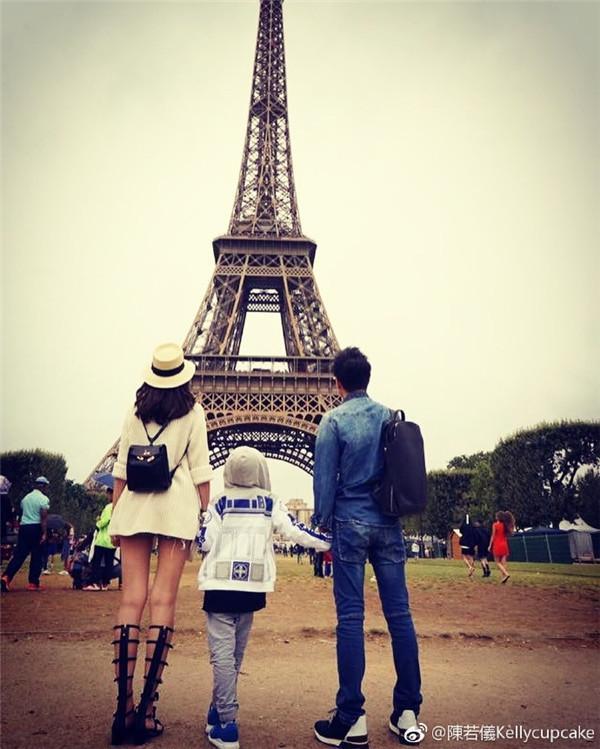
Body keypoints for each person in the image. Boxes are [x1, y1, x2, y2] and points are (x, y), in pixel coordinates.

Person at [312, 347, 422, 747]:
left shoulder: (333, 420)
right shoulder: (390, 416)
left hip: (349, 523)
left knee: (350, 618)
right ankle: (407, 710)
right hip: (388, 523)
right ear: (367, 378)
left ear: (337, 382)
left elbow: (325, 480)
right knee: (400, 616)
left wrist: (321, 522)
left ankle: (351, 717)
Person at [107, 342, 213, 745]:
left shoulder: (135, 411)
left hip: (134, 505)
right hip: (175, 508)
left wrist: (116, 515)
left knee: (131, 599)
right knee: (163, 601)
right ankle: (147, 713)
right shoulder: (193, 412)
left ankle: (123, 710)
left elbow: (120, 469)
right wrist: (203, 513)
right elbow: (201, 471)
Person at [197, 446, 331, 749]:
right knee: (234, 655)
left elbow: (205, 543)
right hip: (251, 589)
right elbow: (296, 531)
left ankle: (227, 724)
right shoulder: (270, 502)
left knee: (222, 656)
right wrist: (328, 542)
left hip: (219, 587)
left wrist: (200, 527)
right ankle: (218, 709)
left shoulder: (220, 502)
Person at [1, 476, 51, 592]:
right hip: (36, 527)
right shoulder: (44, 499)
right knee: (37, 555)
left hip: (24, 527)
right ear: (43, 486)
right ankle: (33, 583)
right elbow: (43, 518)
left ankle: (6, 577)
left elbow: (23, 511)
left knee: (19, 554)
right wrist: (44, 533)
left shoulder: (26, 498)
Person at [84, 499, 116, 591]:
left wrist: (98, 522)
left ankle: (95, 583)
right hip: (112, 540)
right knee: (109, 563)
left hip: (103, 540)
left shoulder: (109, 507)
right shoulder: (119, 507)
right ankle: (105, 583)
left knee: (96, 562)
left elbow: (103, 522)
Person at [489, 511, 515, 583]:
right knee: (504, 562)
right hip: (504, 544)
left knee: (497, 562)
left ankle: (506, 574)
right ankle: (504, 577)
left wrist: (490, 545)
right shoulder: (505, 525)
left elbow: (493, 536)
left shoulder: (495, 525)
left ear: (498, 517)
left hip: (497, 544)